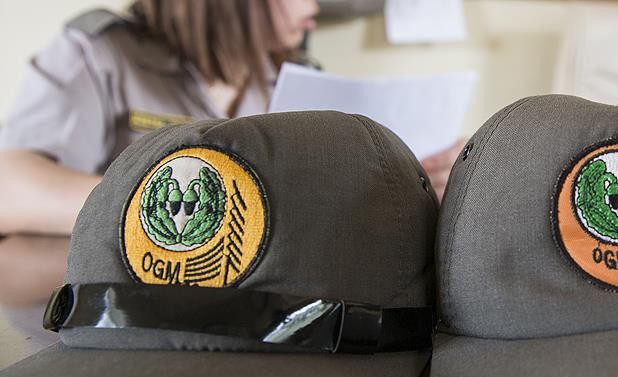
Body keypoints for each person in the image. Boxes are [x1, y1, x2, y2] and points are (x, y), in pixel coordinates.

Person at [0, 0, 460, 238]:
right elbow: (9, 190)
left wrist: (416, 185)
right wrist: (191, 210)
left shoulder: (297, 79)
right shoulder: (100, 53)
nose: (312, 8)